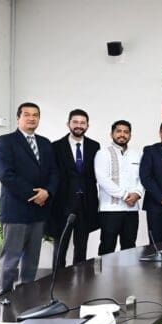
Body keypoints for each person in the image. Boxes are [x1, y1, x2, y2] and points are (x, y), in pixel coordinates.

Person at [0, 102, 58, 295]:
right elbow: (6, 175)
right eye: (27, 114)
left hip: (39, 211)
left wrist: (47, 192)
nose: (31, 118)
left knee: (32, 259)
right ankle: (4, 296)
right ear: (18, 118)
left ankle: (26, 295)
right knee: (11, 258)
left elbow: (54, 172)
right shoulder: (5, 142)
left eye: (35, 115)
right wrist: (34, 195)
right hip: (16, 210)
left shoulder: (45, 143)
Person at [49, 108, 100, 267]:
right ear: (68, 124)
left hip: (86, 204)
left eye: (82, 123)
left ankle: (80, 279)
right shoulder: (56, 146)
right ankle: (58, 278)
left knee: (81, 247)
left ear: (87, 126)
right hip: (63, 203)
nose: (79, 125)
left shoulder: (94, 146)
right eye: (75, 122)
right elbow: (52, 174)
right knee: (60, 247)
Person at [95, 120, 144, 255]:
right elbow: (102, 179)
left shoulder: (136, 154)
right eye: (119, 131)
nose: (122, 134)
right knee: (107, 246)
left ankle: (127, 270)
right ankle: (104, 270)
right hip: (110, 210)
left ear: (130, 135)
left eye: (126, 132)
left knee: (129, 247)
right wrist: (125, 195)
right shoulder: (103, 153)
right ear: (112, 134)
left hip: (131, 209)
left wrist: (137, 193)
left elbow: (143, 177)